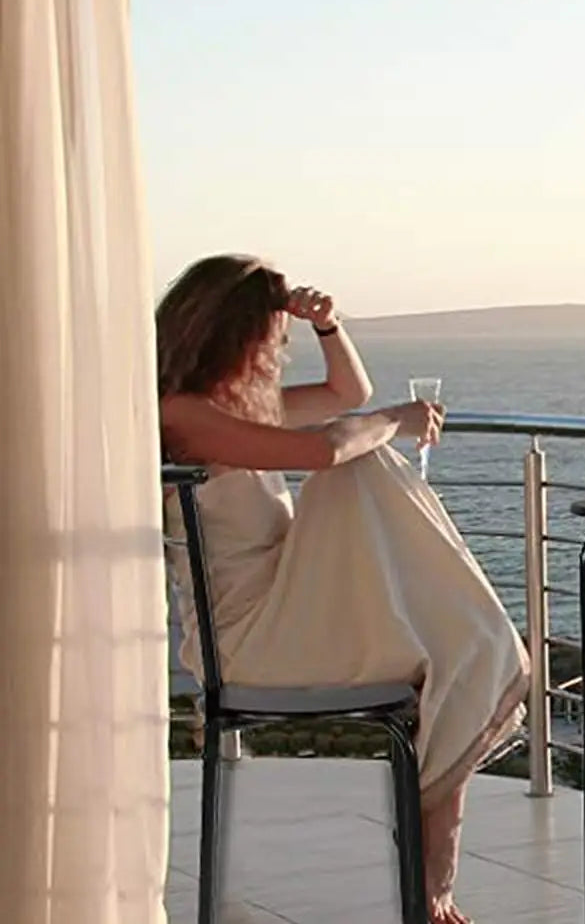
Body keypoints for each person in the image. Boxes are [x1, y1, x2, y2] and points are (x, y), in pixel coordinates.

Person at [158, 254, 530, 924]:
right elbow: (330, 446)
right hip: (249, 641)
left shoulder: (234, 408)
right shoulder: (182, 414)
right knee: (359, 463)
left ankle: (471, 654)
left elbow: (344, 396)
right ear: (233, 331)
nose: (280, 347)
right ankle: (431, 865)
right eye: (274, 334)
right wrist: (400, 420)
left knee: (455, 658)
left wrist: (329, 327)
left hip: (290, 612)